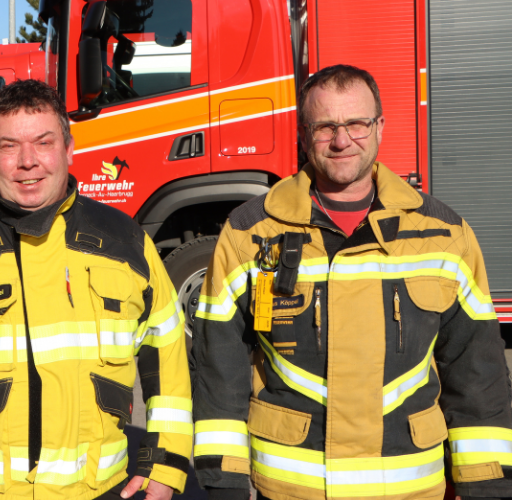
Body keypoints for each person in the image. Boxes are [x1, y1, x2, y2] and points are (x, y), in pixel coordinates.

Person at [192, 64, 512, 500]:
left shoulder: (444, 234)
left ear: (380, 126)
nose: (342, 140)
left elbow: (477, 375)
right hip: (292, 490)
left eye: (357, 124)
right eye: (326, 126)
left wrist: (487, 486)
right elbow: (219, 372)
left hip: (410, 489)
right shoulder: (250, 233)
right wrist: (222, 486)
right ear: (304, 134)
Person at [0, 79, 192, 500]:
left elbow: (168, 357)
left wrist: (166, 464)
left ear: (68, 147)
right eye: (9, 146)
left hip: (100, 490)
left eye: (43, 142)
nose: (27, 162)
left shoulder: (126, 242)